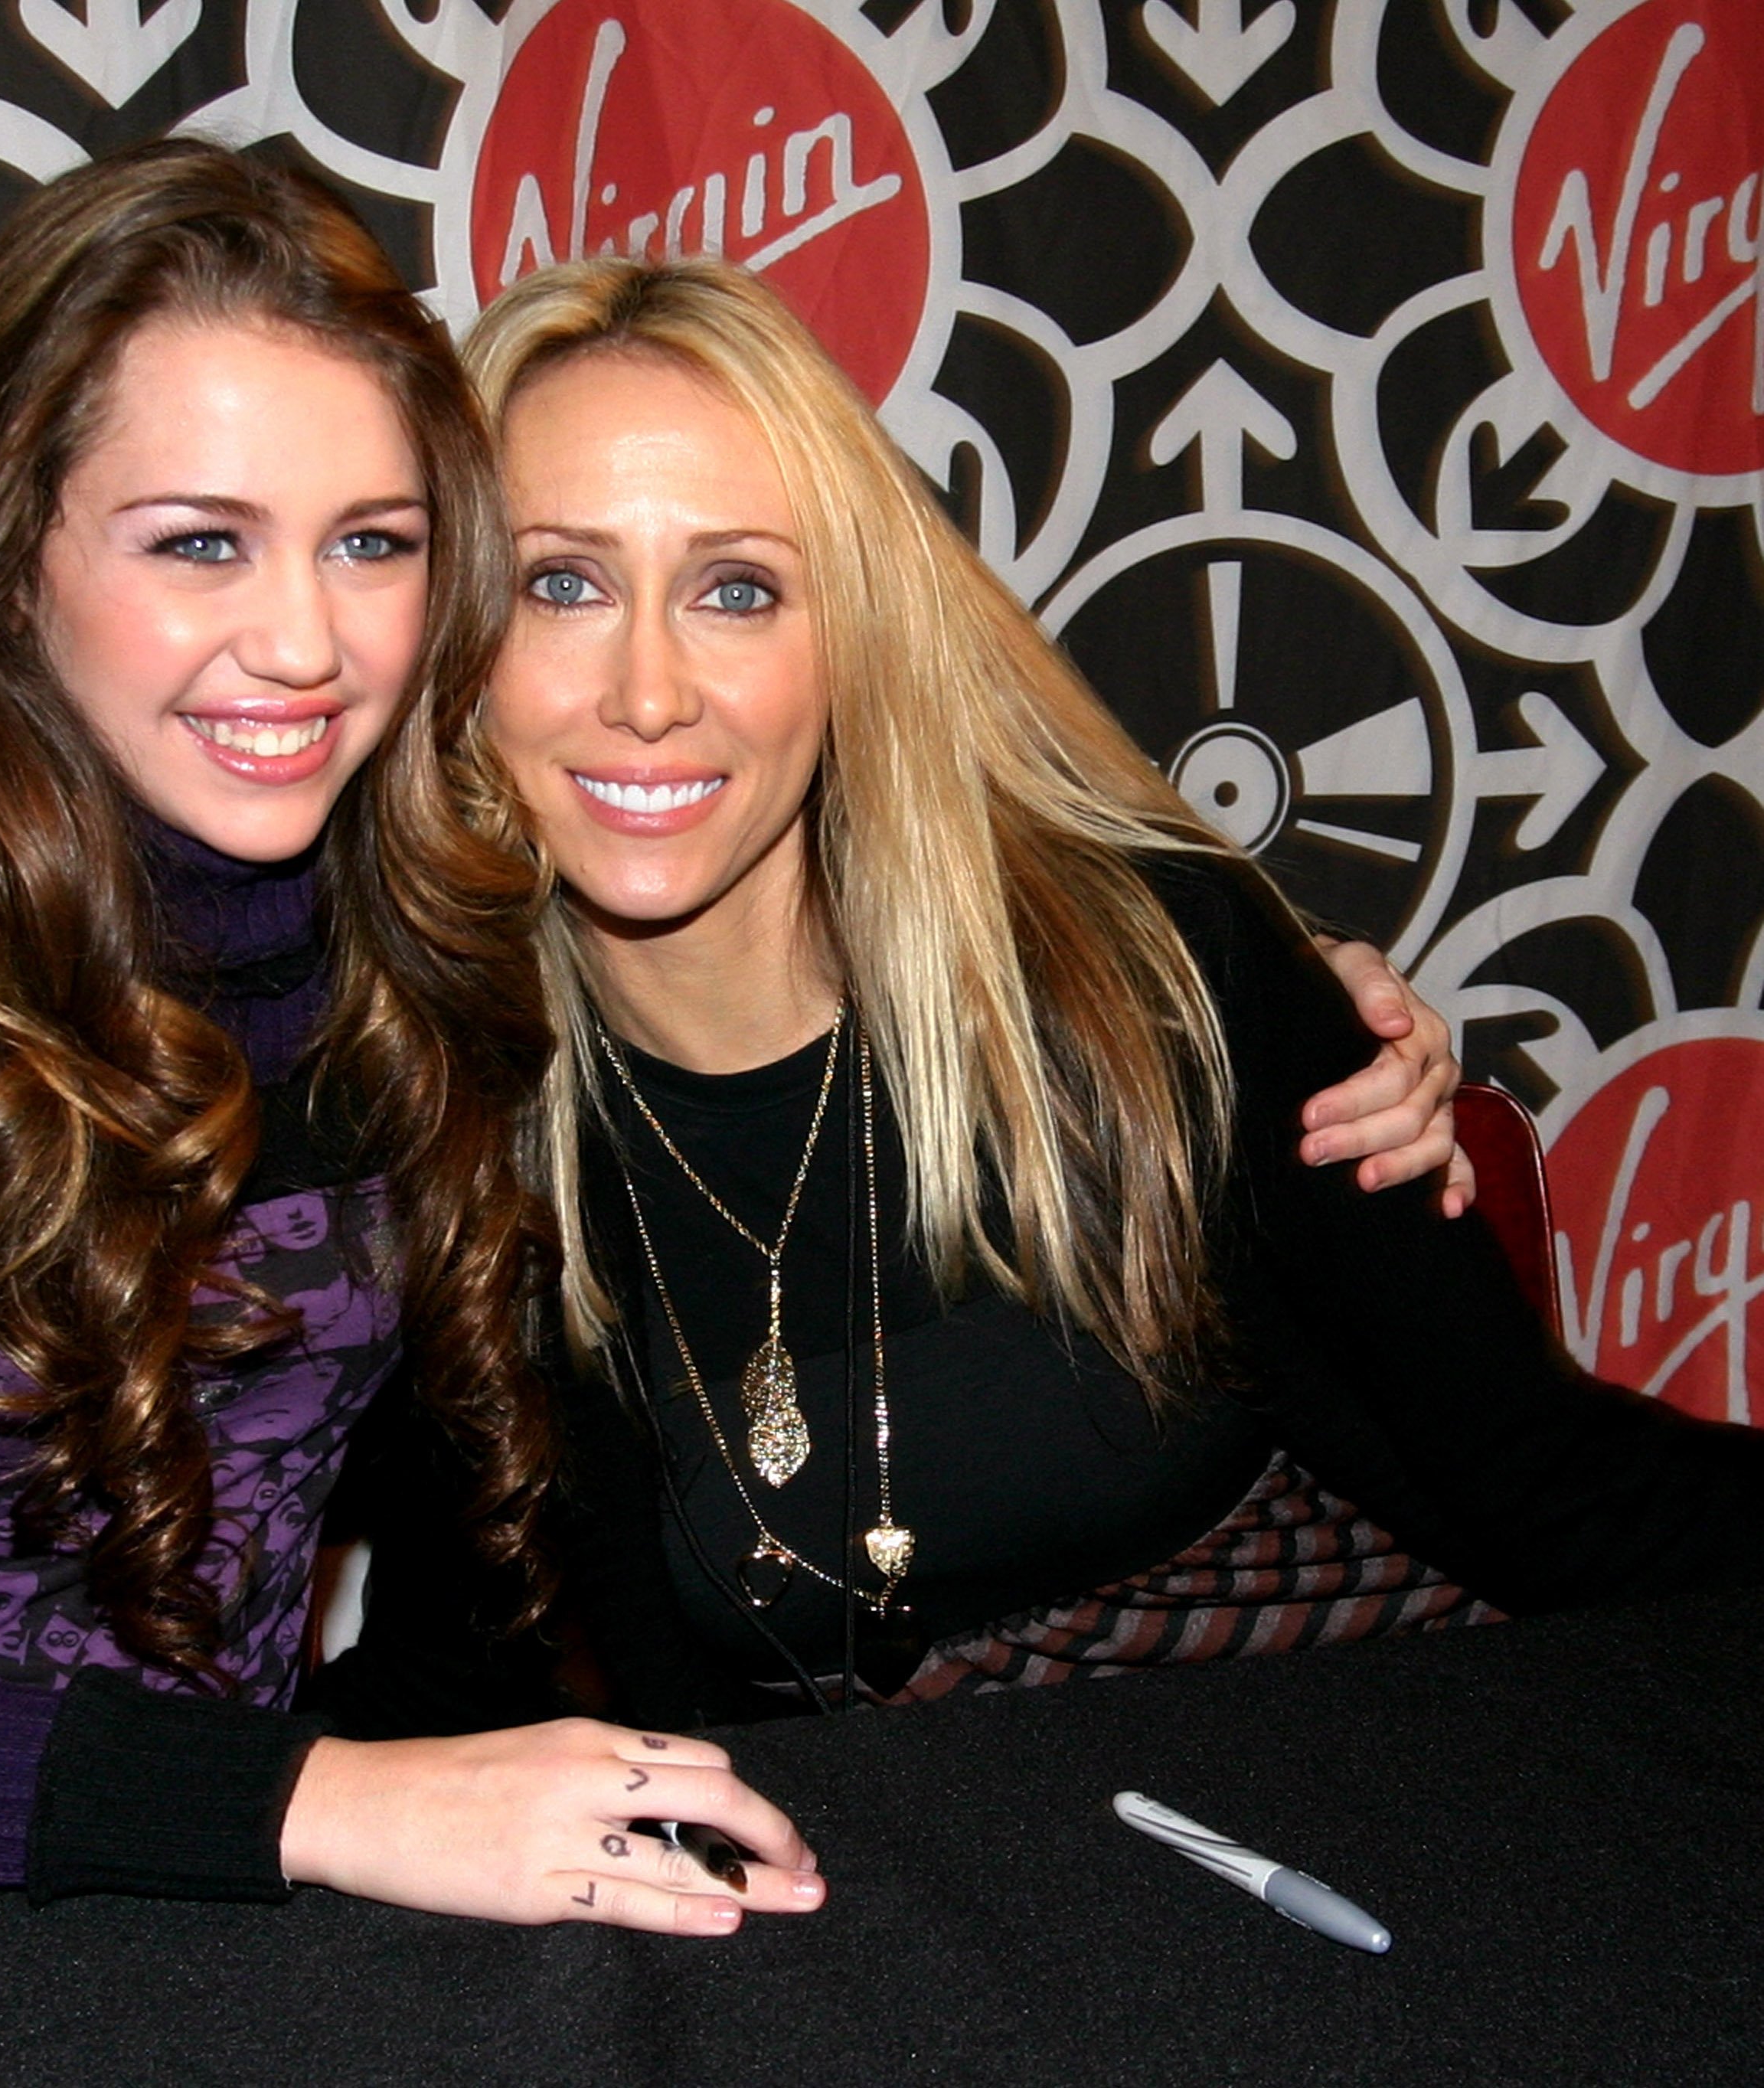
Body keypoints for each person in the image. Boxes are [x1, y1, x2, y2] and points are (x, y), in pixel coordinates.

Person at [0, 143, 1455, 1931]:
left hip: (214, 1939)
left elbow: (504, 1557)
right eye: (200, 545)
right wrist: (346, 1806)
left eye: (371, 544)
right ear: (8, 547)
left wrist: (1285, 1008)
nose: (305, 645)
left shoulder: (419, 935)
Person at [316, 256, 1764, 1738]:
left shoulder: (1140, 972)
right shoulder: (437, 1133)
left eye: (736, 588)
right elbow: (453, 1664)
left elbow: (1554, 1486)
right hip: (934, 1898)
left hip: (1390, 1748)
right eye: (561, 582)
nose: (645, 688)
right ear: (451, 634)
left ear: (848, 637)